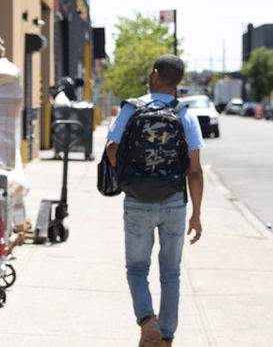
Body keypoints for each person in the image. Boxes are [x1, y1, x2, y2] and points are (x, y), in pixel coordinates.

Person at [105, 54, 204, 347]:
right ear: (179, 81)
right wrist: (196, 214)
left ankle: (148, 320)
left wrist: (131, 175)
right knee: (171, 273)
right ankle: (167, 338)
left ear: (156, 73)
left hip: (137, 199)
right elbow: (195, 171)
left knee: (137, 268)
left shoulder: (131, 108)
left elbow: (112, 150)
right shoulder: (185, 114)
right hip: (174, 201)